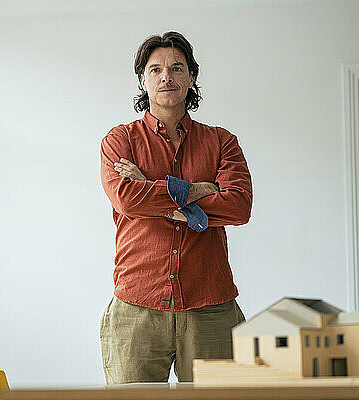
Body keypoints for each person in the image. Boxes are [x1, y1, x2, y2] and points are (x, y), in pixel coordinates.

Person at [99, 31, 253, 384]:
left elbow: (239, 206)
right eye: (155, 69)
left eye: (176, 68)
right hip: (136, 305)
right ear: (143, 79)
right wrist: (199, 191)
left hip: (210, 305)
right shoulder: (119, 140)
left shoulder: (221, 141)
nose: (166, 76)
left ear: (192, 77)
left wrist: (153, 191)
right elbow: (125, 197)